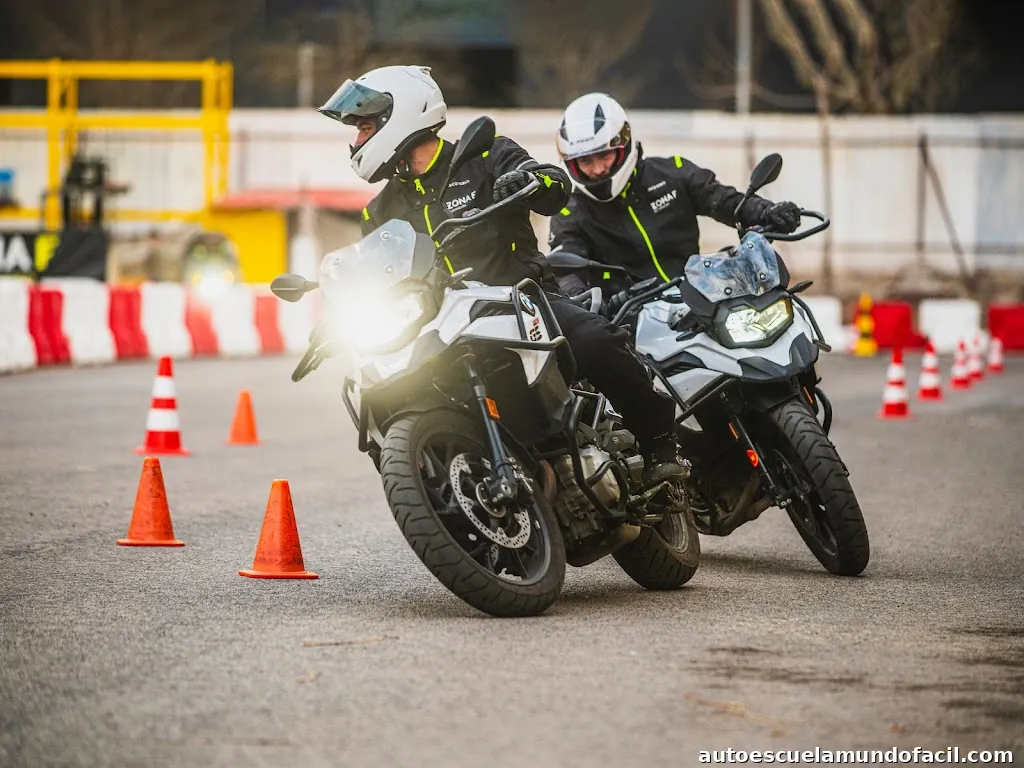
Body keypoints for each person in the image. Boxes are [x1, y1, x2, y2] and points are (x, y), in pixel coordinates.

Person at [318, 65, 684, 484]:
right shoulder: (378, 212)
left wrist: (531, 180)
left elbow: (555, 187)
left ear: (401, 115)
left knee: (594, 340)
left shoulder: (484, 156)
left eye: (364, 128)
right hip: (442, 324)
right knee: (378, 389)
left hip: (522, 300)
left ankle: (659, 442)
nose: (358, 140)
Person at [548, 92, 803, 296]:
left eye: (604, 155)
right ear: (572, 164)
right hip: (625, 324)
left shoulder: (672, 173)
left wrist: (767, 212)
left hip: (698, 302)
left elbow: (726, 202)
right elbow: (565, 265)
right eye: (586, 161)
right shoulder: (570, 210)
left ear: (623, 145)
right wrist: (576, 296)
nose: (598, 169)